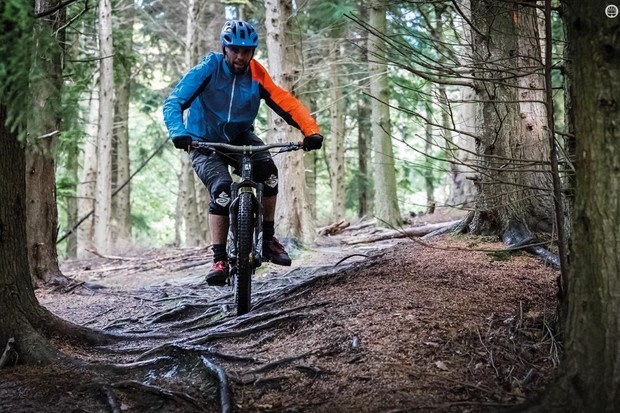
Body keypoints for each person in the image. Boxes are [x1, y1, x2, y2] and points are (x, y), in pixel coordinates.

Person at [163, 19, 323, 286]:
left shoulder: (257, 74)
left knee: (270, 174)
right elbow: (175, 101)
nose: (240, 56)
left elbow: (287, 103)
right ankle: (220, 259)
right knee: (223, 189)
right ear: (225, 48)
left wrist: (310, 131)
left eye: (246, 51)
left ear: (253, 52)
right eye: (235, 49)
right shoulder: (209, 68)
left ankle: (269, 239)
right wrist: (179, 133)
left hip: (240, 137)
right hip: (204, 142)